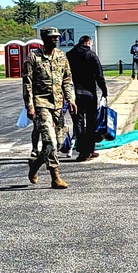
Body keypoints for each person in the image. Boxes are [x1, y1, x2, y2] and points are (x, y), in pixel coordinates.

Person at [23, 26, 77, 189]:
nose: (56, 39)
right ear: (44, 39)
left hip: (58, 106)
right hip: (41, 104)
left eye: (57, 37)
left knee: (58, 143)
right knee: (50, 142)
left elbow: (67, 80)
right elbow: (28, 83)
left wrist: (71, 99)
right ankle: (55, 177)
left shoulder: (61, 56)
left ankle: (35, 164)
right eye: (52, 37)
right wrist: (30, 106)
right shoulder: (34, 57)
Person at [66, 35, 108, 162]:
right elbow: (99, 75)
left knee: (78, 123)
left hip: (75, 93)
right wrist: (104, 91)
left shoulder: (69, 55)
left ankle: (82, 151)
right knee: (91, 123)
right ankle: (90, 149)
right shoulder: (91, 55)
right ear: (88, 43)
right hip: (90, 93)